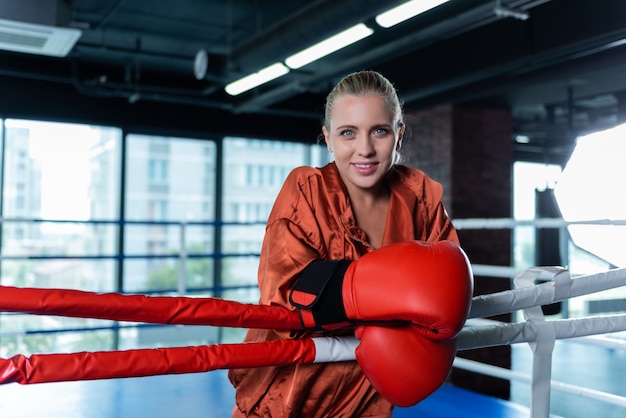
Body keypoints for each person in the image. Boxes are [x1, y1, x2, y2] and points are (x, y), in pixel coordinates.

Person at [228, 70, 460, 417]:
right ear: (328, 138)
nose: (364, 149)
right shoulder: (306, 191)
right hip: (284, 399)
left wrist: (353, 298)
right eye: (348, 133)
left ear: (399, 134)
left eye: (379, 131)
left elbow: (449, 288)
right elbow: (287, 296)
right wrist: (389, 297)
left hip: (365, 402)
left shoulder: (421, 200)